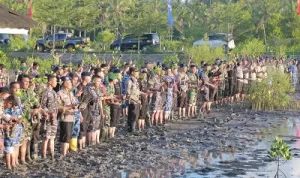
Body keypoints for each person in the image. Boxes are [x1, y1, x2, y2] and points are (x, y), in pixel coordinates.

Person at [57, 76, 77, 157]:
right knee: (65, 135)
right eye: (69, 83)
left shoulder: (70, 92)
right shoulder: (60, 93)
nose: (71, 84)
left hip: (72, 116)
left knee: (69, 135)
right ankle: (63, 153)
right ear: (64, 83)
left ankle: (66, 151)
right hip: (65, 117)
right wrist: (71, 107)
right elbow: (59, 107)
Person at [40, 74, 59, 160]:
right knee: (46, 137)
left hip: (54, 118)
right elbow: (42, 106)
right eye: (55, 81)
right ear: (50, 82)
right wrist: (48, 113)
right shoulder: (46, 92)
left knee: (52, 137)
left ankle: (52, 154)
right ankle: (43, 155)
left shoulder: (54, 92)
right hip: (47, 118)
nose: (56, 83)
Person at [126, 67, 141, 132]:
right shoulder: (130, 81)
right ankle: (131, 130)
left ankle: (133, 129)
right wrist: (135, 99)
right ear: (132, 73)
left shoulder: (136, 80)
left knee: (136, 116)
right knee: (132, 116)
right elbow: (128, 93)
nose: (138, 73)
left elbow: (137, 91)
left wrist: (143, 94)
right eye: (136, 72)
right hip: (132, 101)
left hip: (137, 100)